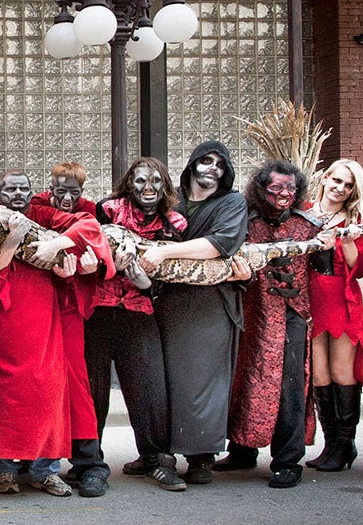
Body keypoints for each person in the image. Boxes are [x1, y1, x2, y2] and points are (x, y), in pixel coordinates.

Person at [0, 168, 108, 500]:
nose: (18, 194)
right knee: (6, 393)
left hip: (49, 312)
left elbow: (90, 229)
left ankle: (63, 467)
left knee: (54, 388)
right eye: (9, 189)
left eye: (23, 188)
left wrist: (60, 245)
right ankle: (7, 467)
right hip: (6, 314)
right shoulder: (0, 215)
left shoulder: (51, 214)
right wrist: (13, 240)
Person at [138, 140, 249, 489]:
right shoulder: (173, 202)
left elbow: (221, 243)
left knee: (202, 384)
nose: (211, 168)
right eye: (205, 160)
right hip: (167, 301)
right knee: (164, 382)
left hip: (210, 305)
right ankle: (156, 454)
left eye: (219, 163)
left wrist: (166, 252)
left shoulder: (231, 203)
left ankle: (201, 458)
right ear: (192, 164)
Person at [215, 161, 318, 489]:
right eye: (276, 188)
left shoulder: (309, 227)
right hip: (253, 313)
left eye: (289, 188)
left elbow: (325, 273)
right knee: (243, 379)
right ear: (262, 190)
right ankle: (242, 449)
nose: (284, 194)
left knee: (289, 389)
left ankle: (288, 461)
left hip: (292, 316)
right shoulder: (248, 223)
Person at [92, 157, 186, 492]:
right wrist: (111, 267)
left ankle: (156, 460)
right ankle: (90, 463)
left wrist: (149, 285)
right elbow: (86, 257)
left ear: (166, 186)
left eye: (156, 182)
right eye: (140, 181)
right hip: (98, 312)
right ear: (128, 182)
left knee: (149, 390)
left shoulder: (175, 223)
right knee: (93, 391)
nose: (148, 188)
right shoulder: (107, 210)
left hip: (141, 312)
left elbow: (175, 278)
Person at [29, 162, 106, 497]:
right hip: (35, 303)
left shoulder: (89, 210)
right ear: (50, 187)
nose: (67, 197)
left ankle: (89, 463)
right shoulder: (34, 206)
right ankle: (25, 459)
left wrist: (59, 246)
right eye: (61, 190)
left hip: (70, 305)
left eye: (74, 191)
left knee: (75, 381)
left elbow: (91, 233)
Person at [304, 158, 363, 472]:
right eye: (336, 180)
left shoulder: (355, 218)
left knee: (342, 373)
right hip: (309, 299)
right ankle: (330, 445)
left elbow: (361, 269)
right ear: (325, 178)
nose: (340, 188)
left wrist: (348, 240)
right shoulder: (305, 211)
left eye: (348, 184)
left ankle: (345, 446)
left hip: (340, 299)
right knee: (320, 376)